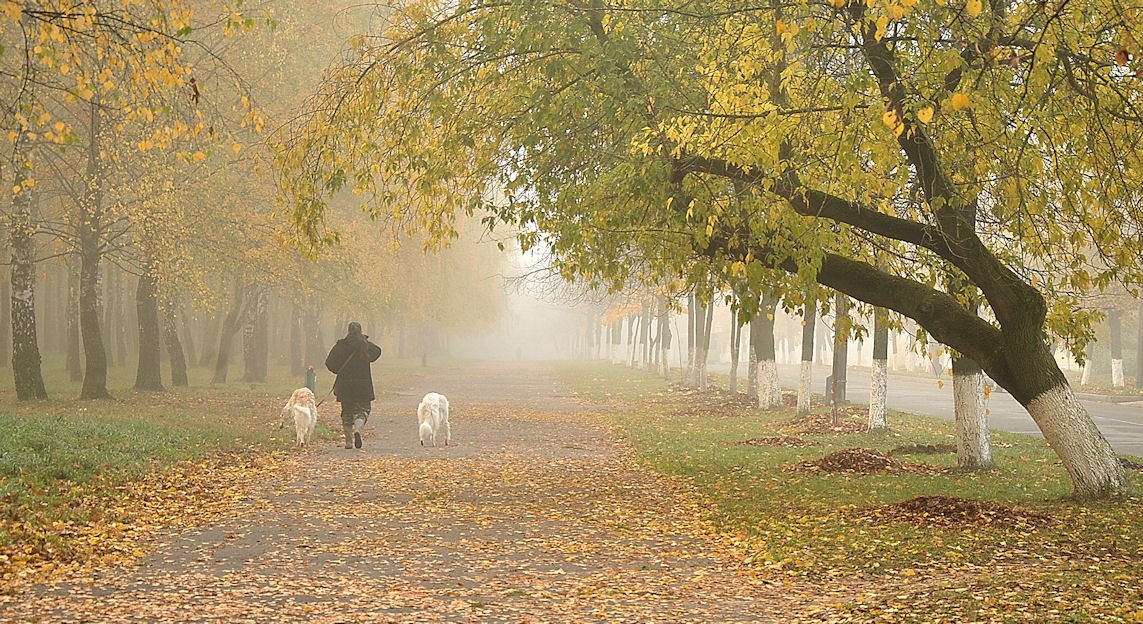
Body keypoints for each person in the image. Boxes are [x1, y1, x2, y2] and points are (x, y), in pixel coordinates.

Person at [324, 321, 383, 449]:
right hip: (363, 386)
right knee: (363, 410)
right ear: (360, 331)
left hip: (345, 386)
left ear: (348, 331)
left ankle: (349, 441)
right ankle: (358, 429)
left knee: (347, 413)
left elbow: (329, 363)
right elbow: (378, 351)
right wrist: (365, 341)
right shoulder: (365, 345)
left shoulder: (340, 346)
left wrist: (338, 369)